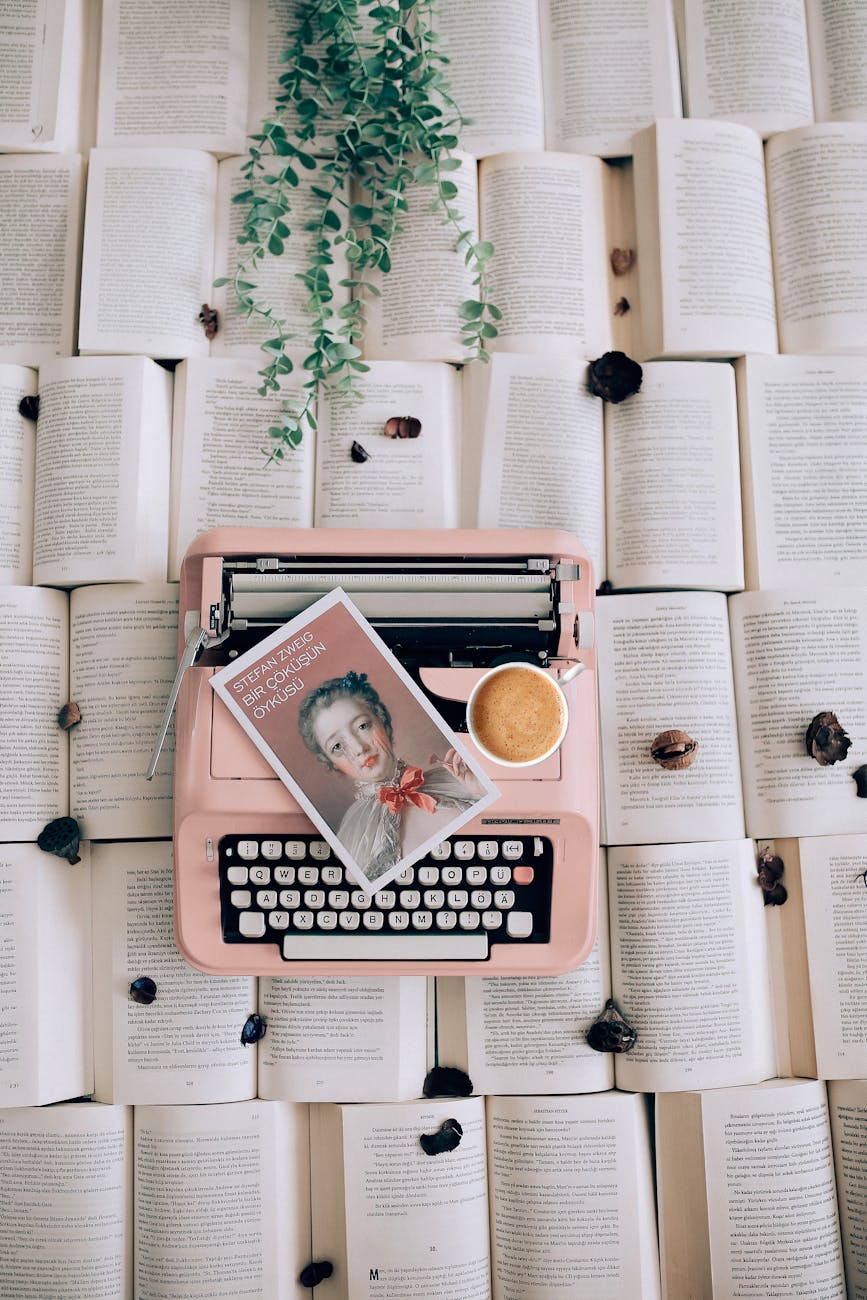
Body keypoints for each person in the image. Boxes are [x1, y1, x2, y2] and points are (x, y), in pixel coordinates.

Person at [298, 670, 484, 882]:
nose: (359, 748)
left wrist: (478, 788)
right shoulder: (352, 837)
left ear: (382, 721)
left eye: (362, 726)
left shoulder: (458, 777)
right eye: (338, 746)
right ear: (332, 764)